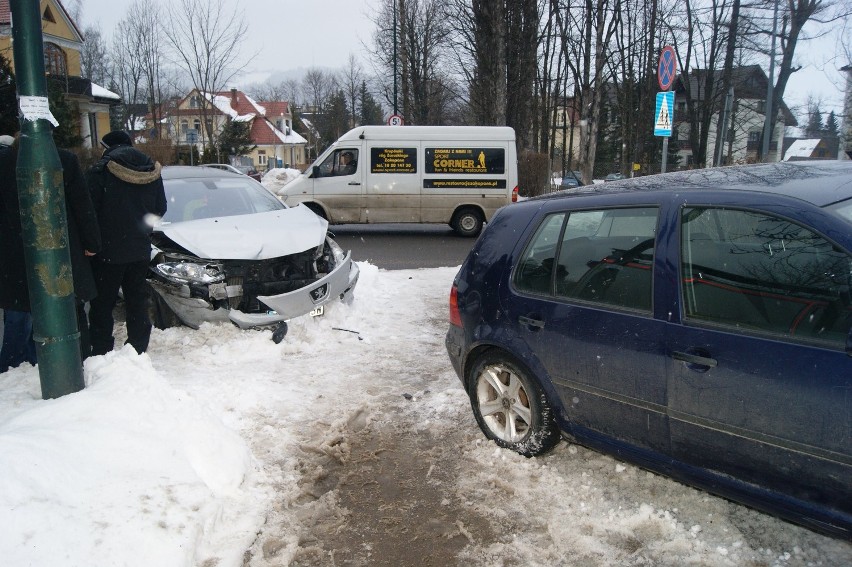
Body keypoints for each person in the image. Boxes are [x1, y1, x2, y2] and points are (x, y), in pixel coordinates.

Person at [0, 133, 102, 371]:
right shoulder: (64, 160)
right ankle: (65, 361)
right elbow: (82, 206)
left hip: (15, 254)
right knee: (64, 308)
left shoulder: (5, 164)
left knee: (20, 311)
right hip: (60, 249)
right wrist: (92, 243)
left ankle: (20, 364)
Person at [86, 131, 166, 356]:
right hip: (139, 248)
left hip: (107, 251)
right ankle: (137, 349)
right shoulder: (152, 171)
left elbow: (88, 211)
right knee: (137, 300)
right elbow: (160, 208)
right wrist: (142, 228)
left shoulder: (100, 171)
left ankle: (101, 350)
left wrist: (96, 239)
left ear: (106, 147)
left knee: (102, 303)